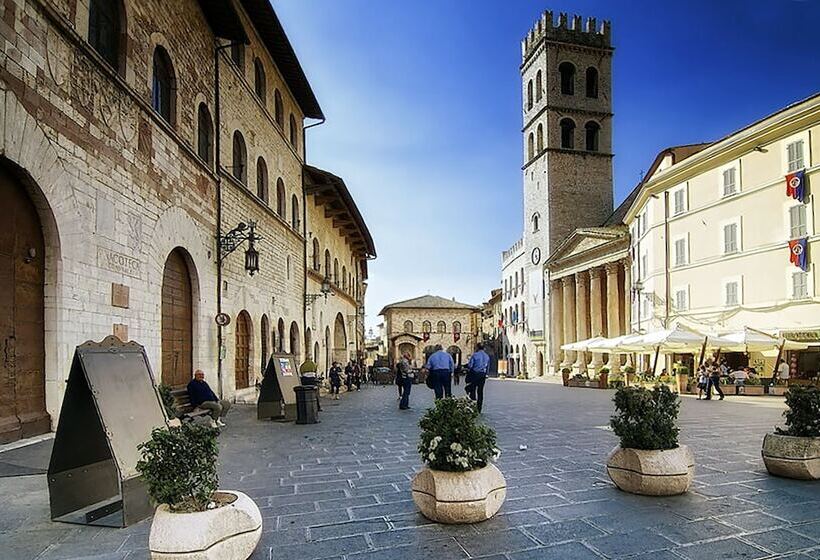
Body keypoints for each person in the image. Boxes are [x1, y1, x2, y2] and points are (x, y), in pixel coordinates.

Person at [466, 343, 490, 412]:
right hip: (482, 375)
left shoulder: (475, 355)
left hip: (475, 374)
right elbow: (488, 367)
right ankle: (479, 408)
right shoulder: (487, 356)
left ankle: (472, 406)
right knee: (480, 391)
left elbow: (470, 366)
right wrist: (486, 374)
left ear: (477, 348)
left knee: (473, 390)